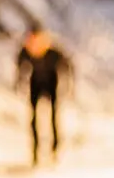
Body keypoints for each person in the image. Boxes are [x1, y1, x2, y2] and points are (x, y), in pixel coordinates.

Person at [15, 28, 72, 164]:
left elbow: (67, 65)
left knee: (53, 117)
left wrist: (68, 85)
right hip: (35, 83)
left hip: (51, 83)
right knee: (34, 117)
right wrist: (19, 80)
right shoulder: (26, 51)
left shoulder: (52, 53)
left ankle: (54, 149)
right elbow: (20, 65)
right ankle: (35, 151)